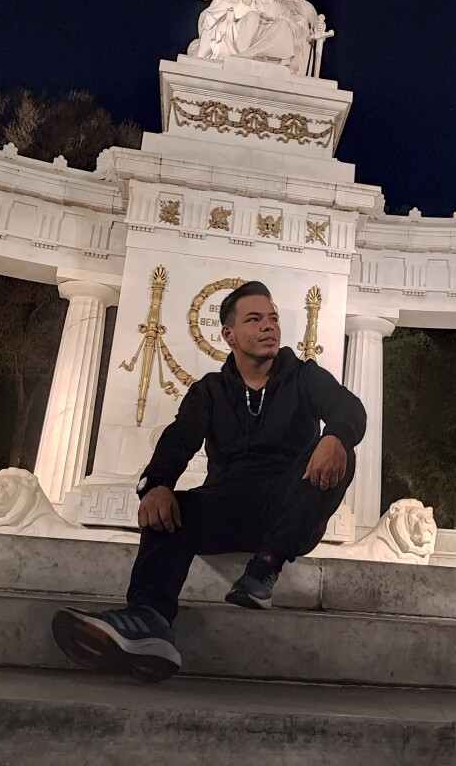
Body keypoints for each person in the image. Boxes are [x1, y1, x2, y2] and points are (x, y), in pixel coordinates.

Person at [52, 281, 366, 683]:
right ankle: (148, 621)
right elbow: (179, 438)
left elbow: (348, 407)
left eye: (273, 318)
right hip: (227, 506)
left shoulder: (304, 376)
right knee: (166, 507)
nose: (269, 326)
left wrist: (336, 435)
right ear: (229, 335)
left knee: (340, 448)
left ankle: (264, 568)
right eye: (255, 319)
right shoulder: (209, 391)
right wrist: (155, 484)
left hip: (290, 507)